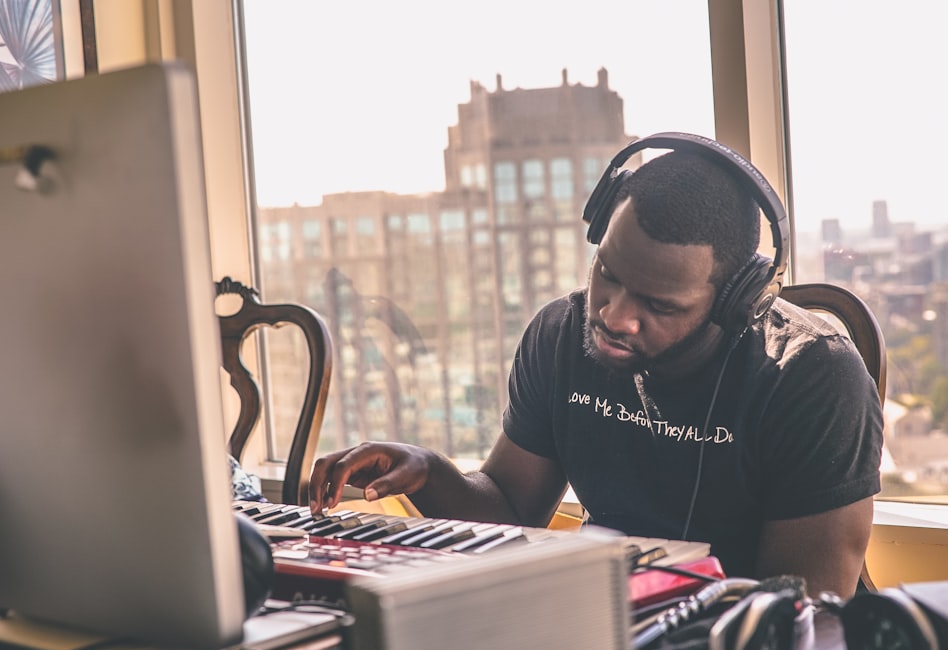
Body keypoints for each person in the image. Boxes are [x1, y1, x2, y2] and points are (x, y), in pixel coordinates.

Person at [308, 136, 884, 599]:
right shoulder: (560, 335)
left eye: (658, 305)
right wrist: (431, 472)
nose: (614, 316)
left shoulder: (813, 376)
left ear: (737, 299)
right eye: (607, 272)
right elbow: (510, 507)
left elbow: (801, 610)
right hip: (597, 623)